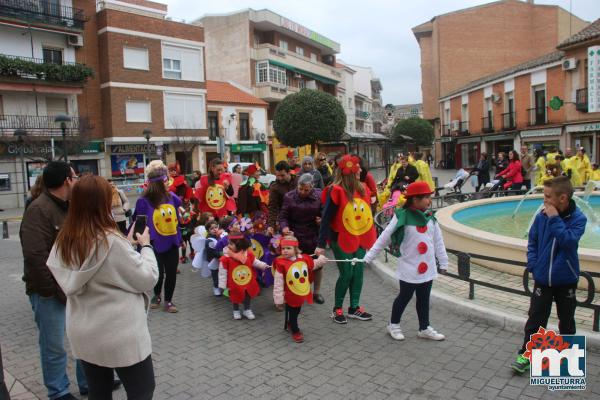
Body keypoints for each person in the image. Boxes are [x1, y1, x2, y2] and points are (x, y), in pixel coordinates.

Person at [47, 175, 158, 400]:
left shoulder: (65, 238)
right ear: (103, 202)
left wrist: (126, 243)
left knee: (99, 391)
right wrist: (145, 246)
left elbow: (99, 264)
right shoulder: (109, 241)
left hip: (84, 330)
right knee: (142, 389)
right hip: (118, 332)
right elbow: (147, 277)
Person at [20, 161, 89, 400]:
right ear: (66, 181)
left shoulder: (71, 206)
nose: (77, 180)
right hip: (48, 291)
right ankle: (58, 392)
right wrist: (53, 290)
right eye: (75, 176)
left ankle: (87, 381)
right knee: (54, 346)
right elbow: (35, 256)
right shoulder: (39, 210)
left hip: (72, 286)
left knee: (82, 336)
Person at [511, 176, 587, 374]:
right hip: (543, 278)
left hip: (566, 279)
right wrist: (534, 265)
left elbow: (568, 241)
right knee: (535, 319)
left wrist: (554, 218)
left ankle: (568, 358)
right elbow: (533, 242)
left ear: (562, 198)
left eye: (547, 196)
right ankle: (527, 354)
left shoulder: (579, 219)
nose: (543, 200)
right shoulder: (541, 216)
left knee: (567, 320)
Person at [364, 181, 449, 341]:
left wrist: (443, 262)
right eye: (426, 198)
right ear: (414, 199)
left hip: (428, 268)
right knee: (404, 297)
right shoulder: (401, 217)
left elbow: (438, 242)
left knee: (424, 298)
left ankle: (424, 328)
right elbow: (385, 237)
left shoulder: (430, 218)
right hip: (409, 268)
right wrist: (370, 256)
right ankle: (393, 324)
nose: (429, 201)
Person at [316, 155, 377, 324]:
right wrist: (321, 244)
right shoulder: (336, 190)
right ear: (349, 173)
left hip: (359, 237)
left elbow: (367, 215)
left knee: (358, 272)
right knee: (347, 273)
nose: (360, 173)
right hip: (340, 238)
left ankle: (354, 307)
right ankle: (337, 309)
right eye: (357, 171)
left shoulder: (363, 189)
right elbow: (326, 218)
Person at [133, 160, 182, 313]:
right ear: (158, 183)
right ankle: (156, 295)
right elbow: (138, 222)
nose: (169, 183)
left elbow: (177, 217)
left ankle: (168, 300)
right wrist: (138, 241)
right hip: (154, 242)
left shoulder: (172, 197)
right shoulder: (144, 201)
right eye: (166, 181)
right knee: (158, 272)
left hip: (172, 240)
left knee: (172, 272)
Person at [278, 174, 324, 303]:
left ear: (312, 188)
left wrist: (321, 220)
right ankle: (298, 290)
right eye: (300, 189)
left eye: (306, 190)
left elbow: (324, 213)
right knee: (294, 265)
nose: (303, 192)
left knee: (317, 265)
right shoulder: (289, 196)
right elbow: (283, 217)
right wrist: (285, 228)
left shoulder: (319, 196)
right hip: (295, 236)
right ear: (297, 186)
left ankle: (317, 292)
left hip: (313, 234)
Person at [273, 235, 327, 343]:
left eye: (288, 248)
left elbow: (312, 265)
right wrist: (278, 298)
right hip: (290, 293)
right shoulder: (281, 263)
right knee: (293, 311)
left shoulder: (303, 258)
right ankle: (295, 330)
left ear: (295, 249)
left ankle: (290, 323)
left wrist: (320, 260)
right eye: (283, 249)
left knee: (297, 310)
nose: (285, 251)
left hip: (301, 291)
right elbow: (278, 282)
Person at [218, 230, 270, 320]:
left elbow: (254, 261)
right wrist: (222, 284)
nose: (228, 246)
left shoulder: (248, 254)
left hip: (247, 280)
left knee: (247, 295)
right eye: (228, 243)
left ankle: (247, 309)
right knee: (235, 296)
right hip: (234, 282)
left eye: (231, 244)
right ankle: (236, 310)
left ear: (239, 245)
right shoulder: (226, 257)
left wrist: (263, 265)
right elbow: (222, 272)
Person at [267, 161, 298, 234]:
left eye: (282, 175)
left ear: (289, 172)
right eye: (277, 175)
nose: (280, 178)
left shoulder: (298, 182)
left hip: (300, 219)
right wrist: (271, 225)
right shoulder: (274, 187)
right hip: (284, 221)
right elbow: (272, 207)